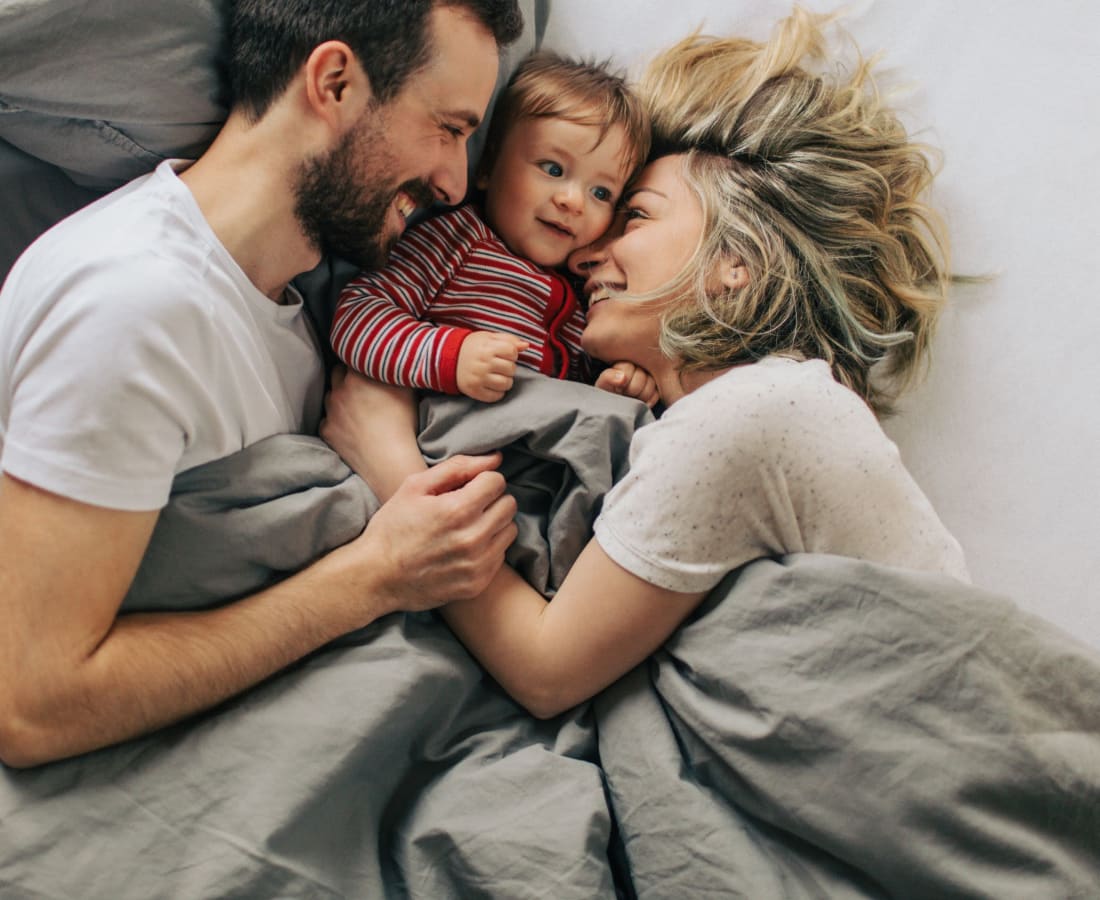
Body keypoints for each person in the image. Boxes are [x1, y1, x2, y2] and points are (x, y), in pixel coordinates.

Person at [321, 8, 971, 719]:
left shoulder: (755, 410)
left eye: (631, 216)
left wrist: (389, 462)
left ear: (735, 265)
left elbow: (546, 670)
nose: (589, 249)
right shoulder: (717, 411)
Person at [0, 0, 525, 769]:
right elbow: (32, 703)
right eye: (448, 129)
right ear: (335, 82)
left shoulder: (291, 306)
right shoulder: (134, 306)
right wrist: (377, 577)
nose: (454, 182)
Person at [330, 51, 656, 406]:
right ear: (486, 167)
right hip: (442, 425)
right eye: (553, 169)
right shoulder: (454, 242)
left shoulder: (585, 287)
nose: (574, 202)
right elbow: (356, 315)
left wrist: (613, 384)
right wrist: (453, 358)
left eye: (600, 193)